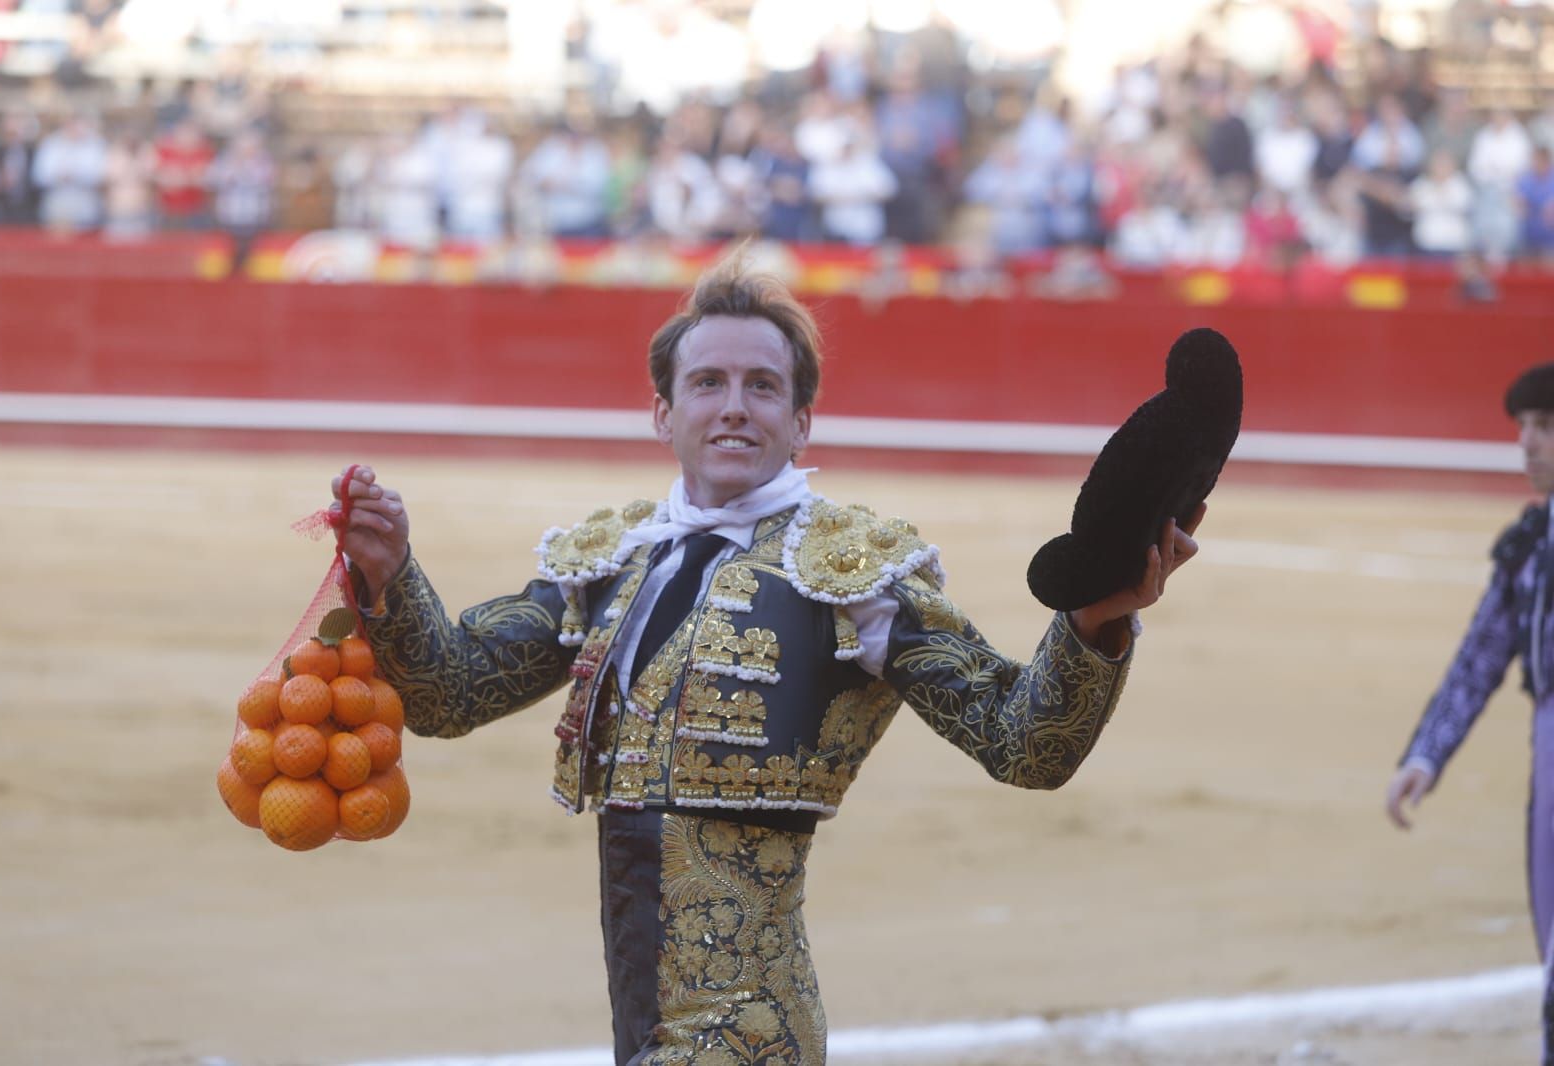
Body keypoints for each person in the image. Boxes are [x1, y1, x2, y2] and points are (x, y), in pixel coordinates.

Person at [331, 254, 1202, 1065]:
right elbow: (447, 693)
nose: (735, 406)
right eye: (707, 383)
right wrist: (390, 571)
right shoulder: (617, 562)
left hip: (753, 1033)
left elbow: (1024, 742)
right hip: (643, 1017)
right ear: (664, 413)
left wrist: (1092, 623)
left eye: (763, 386)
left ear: (800, 420)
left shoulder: (851, 570)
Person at [1386, 362, 1554, 1064]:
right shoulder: (1531, 546)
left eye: (1545, 427)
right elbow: (1482, 656)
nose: (1527, 442)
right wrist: (1427, 752)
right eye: (1523, 427)